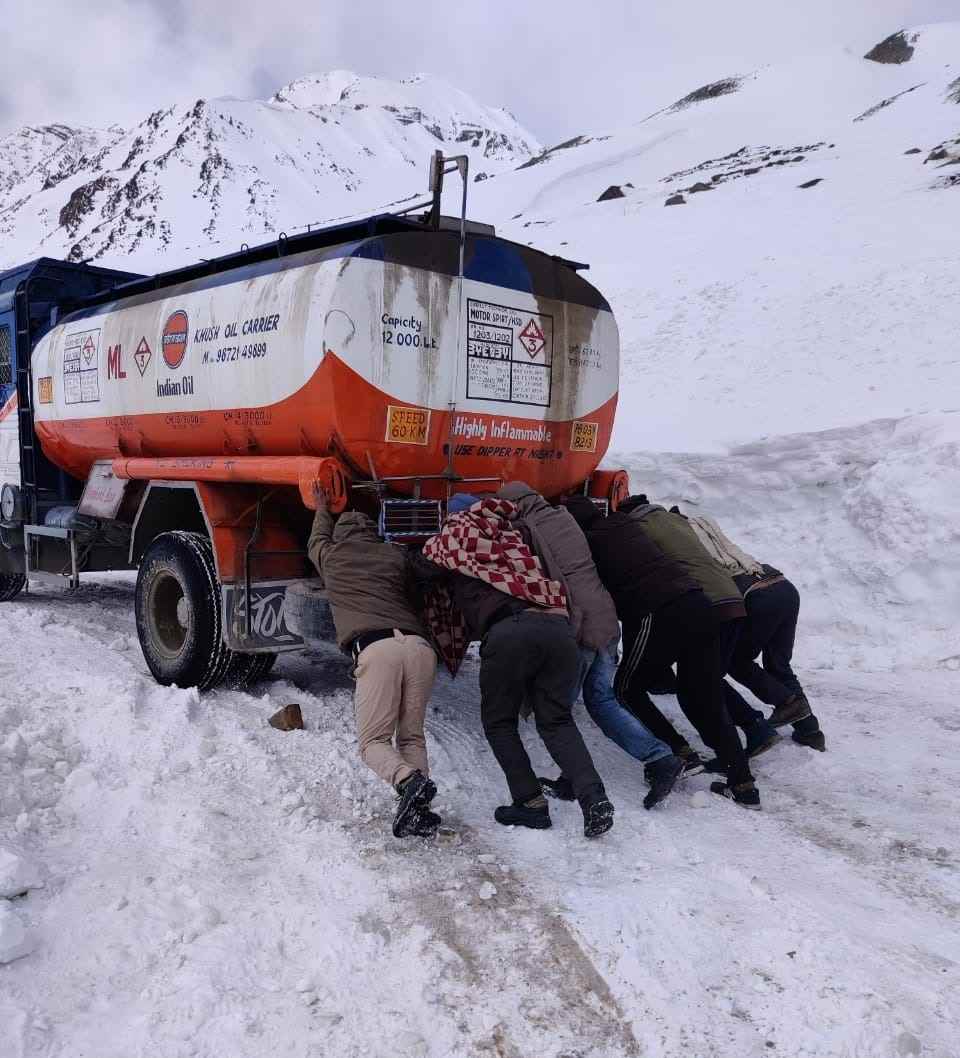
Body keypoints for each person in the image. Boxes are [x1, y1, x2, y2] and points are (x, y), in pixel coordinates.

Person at [412, 495, 615, 838]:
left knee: (499, 722)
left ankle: (530, 803)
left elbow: (420, 568)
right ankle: (594, 799)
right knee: (557, 721)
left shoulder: (457, 534)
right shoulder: (514, 536)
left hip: (511, 632)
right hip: (559, 630)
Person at [564, 494, 762, 809]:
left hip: (659, 611)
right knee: (704, 696)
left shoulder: (588, 543)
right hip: (698, 603)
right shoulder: (625, 524)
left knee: (625, 689)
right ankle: (743, 784)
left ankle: (677, 753)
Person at [496, 482, 683, 809]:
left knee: (556, 712)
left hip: (579, 623)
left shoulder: (527, 528)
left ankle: (582, 777)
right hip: (605, 618)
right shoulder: (564, 517)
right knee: (601, 700)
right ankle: (658, 758)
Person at [308, 487, 440, 838]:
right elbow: (417, 585)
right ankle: (418, 811)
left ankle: (408, 782)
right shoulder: (393, 555)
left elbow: (315, 539)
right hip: (418, 647)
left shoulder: (332, 557)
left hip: (377, 650)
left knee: (372, 743)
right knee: (411, 736)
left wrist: (322, 508)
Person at [680, 510, 824, 751]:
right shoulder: (703, 522)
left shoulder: (677, 538)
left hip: (754, 596)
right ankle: (810, 731)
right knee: (778, 664)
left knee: (735, 661)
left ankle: (785, 702)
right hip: (781, 585)